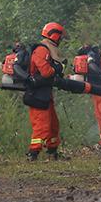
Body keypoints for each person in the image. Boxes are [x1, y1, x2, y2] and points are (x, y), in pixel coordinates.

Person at [26, 22, 65, 161]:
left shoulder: (47, 49)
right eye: (60, 37)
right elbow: (46, 71)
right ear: (54, 35)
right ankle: (33, 153)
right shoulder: (42, 50)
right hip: (37, 94)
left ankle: (52, 151)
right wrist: (57, 69)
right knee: (41, 125)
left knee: (53, 124)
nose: (60, 40)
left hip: (44, 93)